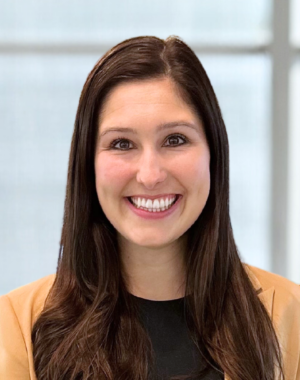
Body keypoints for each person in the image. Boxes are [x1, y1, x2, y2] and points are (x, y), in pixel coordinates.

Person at [0, 35, 299, 380]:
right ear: (88, 165)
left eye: (175, 140)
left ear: (213, 154)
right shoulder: (15, 328)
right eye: (122, 143)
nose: (150, 175)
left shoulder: (291, 319)